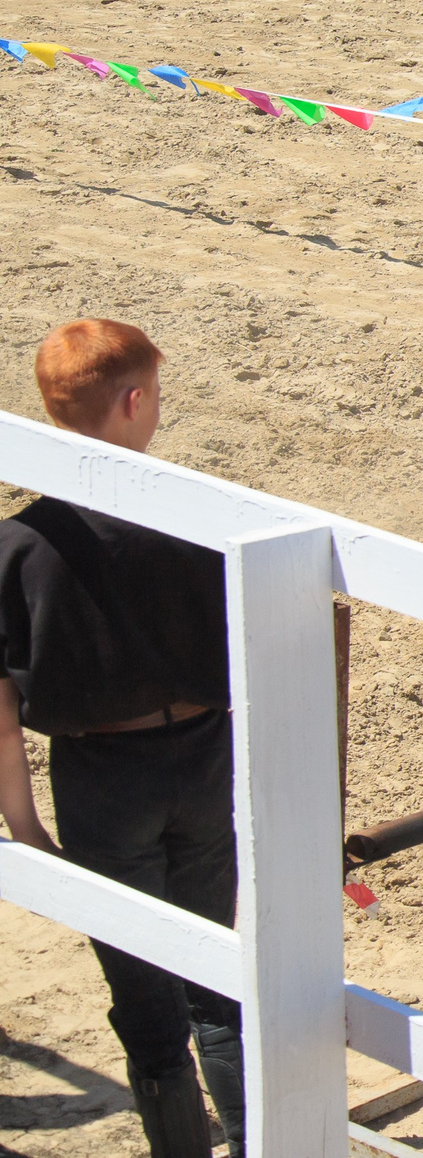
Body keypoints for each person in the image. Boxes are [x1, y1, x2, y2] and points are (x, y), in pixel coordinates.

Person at [0, 322, 245, 1156]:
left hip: (102, 778)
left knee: (145, 999)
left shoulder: (19, 545)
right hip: (205, 759)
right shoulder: (197, 516)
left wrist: (25, 826)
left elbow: (2, 709)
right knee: (218, 980)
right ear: (135, 401)